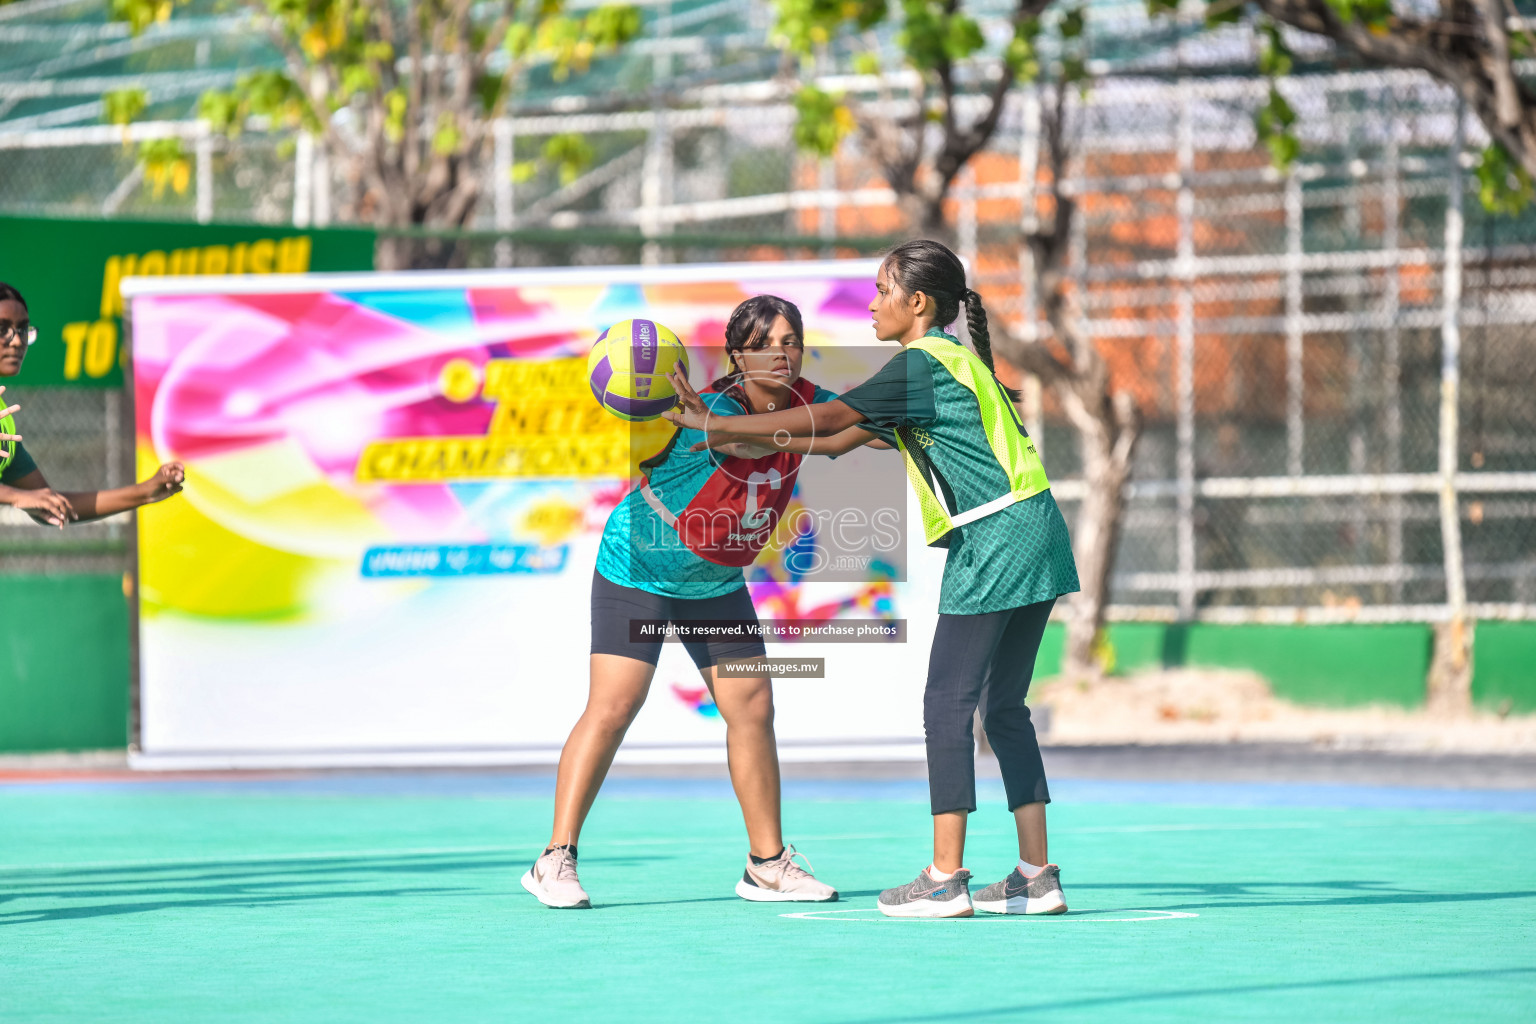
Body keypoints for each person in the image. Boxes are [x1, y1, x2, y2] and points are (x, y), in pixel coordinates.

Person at [667, 240, 1080, 919]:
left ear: (917, 303)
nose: (871, 304)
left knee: (946, 702)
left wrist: (714, 419)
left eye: (883, 291)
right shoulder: (950, 361)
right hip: (1037, 531)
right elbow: (831, 441)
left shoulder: (917, 366)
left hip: (996, 536)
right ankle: (1036, 875)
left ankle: (946, 878)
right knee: (1002, 708)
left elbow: (827, 418)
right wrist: (731, 434)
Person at [523, 295, 887, 909]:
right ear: (736, 356)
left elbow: (857, 432)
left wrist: (927, 418)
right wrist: (842, 427)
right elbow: (754, 447)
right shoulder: (714, 410)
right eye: (765, 343)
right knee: (615, 706)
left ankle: (767, 865)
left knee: (753, 707)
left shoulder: (812, 405)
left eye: (791, 340)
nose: (782, 351)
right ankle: (554, 859)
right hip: (640, 567)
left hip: (715, 583)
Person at [0, 282, 184, 527]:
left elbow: (48, 503)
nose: (16, 341)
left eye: (22, 329)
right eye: (2, 329)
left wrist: (146, 491)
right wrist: (16, 496)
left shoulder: (5, 422)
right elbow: (24, 498)